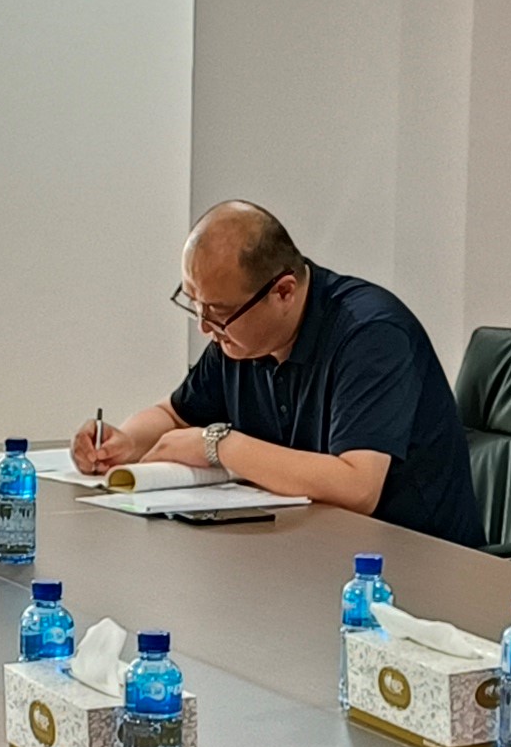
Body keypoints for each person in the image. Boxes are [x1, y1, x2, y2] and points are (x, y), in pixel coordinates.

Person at [73, 203, 486, 549]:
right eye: (194, 303)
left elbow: (358, 486)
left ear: (284, 292)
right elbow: (175, 415)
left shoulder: (371, 335)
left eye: (218, 311)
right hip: (307, 552)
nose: (204, 327)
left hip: (413, 568)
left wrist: (217, 445)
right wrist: (123, 442)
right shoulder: (239, 337)